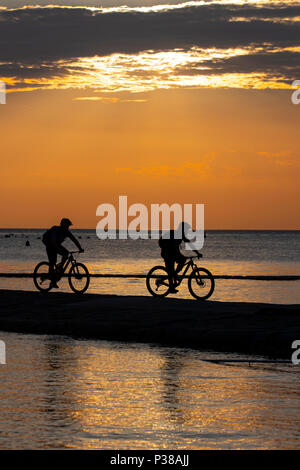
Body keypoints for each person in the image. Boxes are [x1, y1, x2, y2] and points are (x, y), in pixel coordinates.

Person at [159, 222, 200, 293]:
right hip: (167, 253)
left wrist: (197, 253)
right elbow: (163, 243)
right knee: (170, 268)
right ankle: (171, 287)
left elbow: (189, 244)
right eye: (186, 230)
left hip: (174, 252)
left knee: (182, 260)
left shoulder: (181, 235)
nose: (187, 231)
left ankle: (175, 274)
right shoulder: (173, 233)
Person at [42, 218, 84, 288]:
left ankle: (60, 267)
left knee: (66, 253)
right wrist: (57, 249)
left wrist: (80, 248)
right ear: (63, 225)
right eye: (67, 226)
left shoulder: (67, 232)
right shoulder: (56, 230)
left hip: (56, 245)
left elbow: (74, 240)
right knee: (53, 261)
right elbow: (53, 241)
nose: (68, 227)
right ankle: (52, 282)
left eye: (68, 226)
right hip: (50, 245)